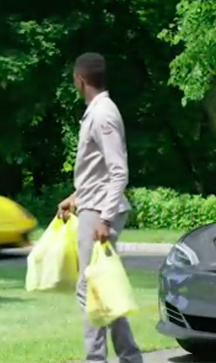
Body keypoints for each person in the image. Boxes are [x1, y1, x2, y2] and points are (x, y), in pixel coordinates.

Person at [57, 52, 143, 363]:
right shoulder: (97, 111)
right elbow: (97, 172)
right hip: (92, 204)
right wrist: (75, 197)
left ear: (80, 80)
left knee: (89, 289)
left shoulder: (103, 114)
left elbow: (118, 171)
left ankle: (96, 359)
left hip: (100, 212)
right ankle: (130, 357)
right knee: (103, 289)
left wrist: (104, 219)